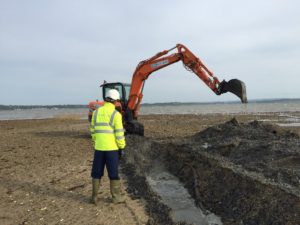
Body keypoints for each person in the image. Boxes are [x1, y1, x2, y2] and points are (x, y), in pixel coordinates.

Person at [90, 89, 126, 205]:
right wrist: (122, 147)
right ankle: (116, 197)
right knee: (113, 173)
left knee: (96, 172)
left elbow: (93, 131)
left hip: (99, 148)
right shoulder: (116, 114)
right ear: (115, 101)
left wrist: (96, 141)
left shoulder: (96, 112)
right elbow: (119, 133)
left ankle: (94, 197)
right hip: (112, 149)